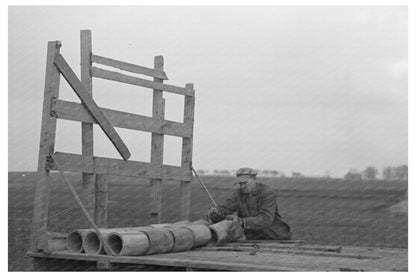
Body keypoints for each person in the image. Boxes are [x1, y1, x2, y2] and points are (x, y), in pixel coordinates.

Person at [207, 167, 292, 240]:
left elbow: (266, 219)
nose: (242, 186)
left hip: (275, 237)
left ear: (254, 180)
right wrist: (216, 212)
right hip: (254, 238)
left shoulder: (267, 193)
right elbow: (226, 209)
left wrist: (243, 222)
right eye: (240, 184)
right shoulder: (239, 194)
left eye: (245, 183)